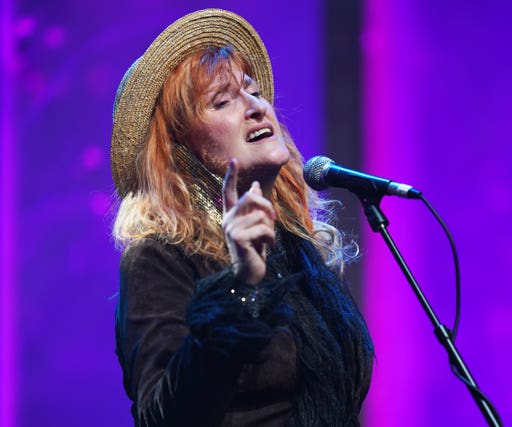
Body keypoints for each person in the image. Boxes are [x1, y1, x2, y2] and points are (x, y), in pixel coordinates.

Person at [110, 9, 374, 427]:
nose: (255, 106)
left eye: (252, 91)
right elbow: (163, 417)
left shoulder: (299, 249)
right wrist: (239, 286)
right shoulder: (160, 258)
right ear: (182, 148)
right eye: (223, 101)